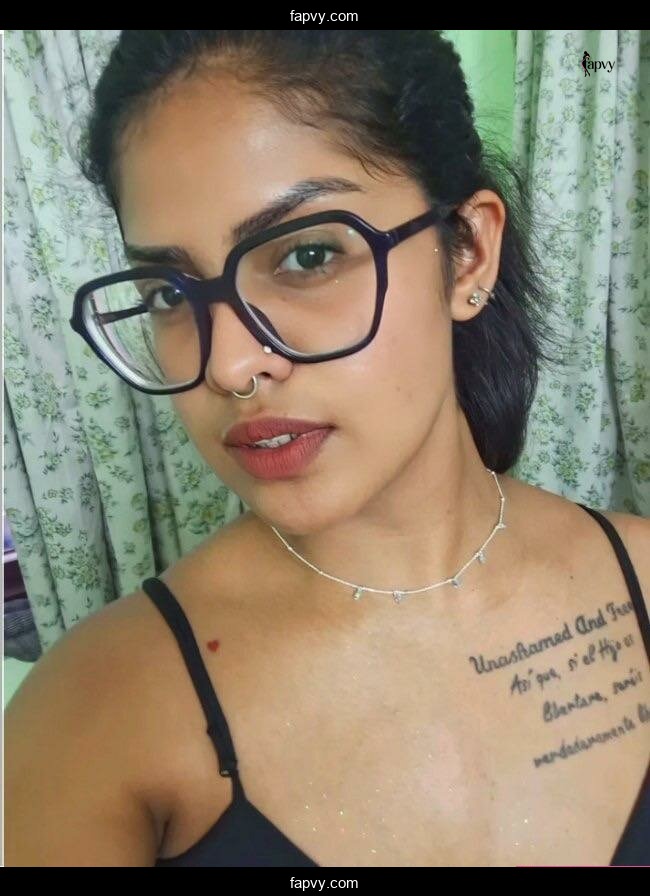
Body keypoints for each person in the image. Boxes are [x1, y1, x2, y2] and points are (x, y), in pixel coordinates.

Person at [5, 30, 649, 868]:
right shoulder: (97, 711)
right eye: (169, 292)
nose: (230, 365)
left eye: (308, 255)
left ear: (467, 254)